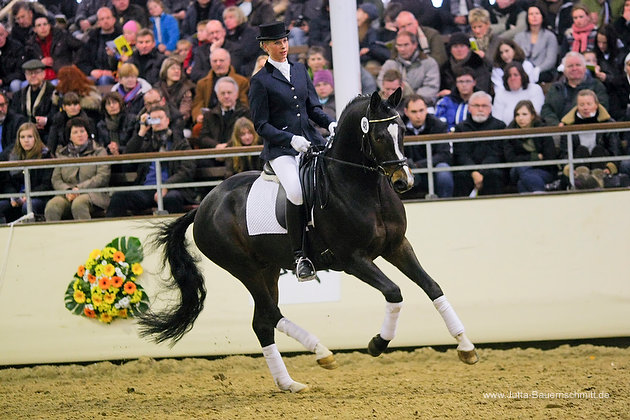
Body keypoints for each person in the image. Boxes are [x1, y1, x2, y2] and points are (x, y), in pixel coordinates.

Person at [248, 22, 336, 281]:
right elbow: (261, 125)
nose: (283, 46)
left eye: (285, 41)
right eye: (277, 43)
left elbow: (312, 108)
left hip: (310, 141)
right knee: (296, 192)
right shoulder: (260, 82)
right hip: (281, 150)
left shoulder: (299, 70)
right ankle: (299, 256)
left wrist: (328, 122)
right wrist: (290, 139)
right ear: (265, 46)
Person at [105, 105, 197, 216]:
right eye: (154, 119)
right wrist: (141, 132)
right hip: (147, 188)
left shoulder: (180, 143)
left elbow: (186, 170)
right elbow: (128, 159)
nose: (157, 121)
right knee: (118, 197)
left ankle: (173, 232)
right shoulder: (146, 142)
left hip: (171, 188)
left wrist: (166, 186)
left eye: (160, 118)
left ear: (167, 121)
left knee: (171, 199)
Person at [44, 117, 111, 221]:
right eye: (75, 132)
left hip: (94, 195)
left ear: (87, 133)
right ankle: (54, 236)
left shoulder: (99, 152)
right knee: (52, 206)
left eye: (82, 131)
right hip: (67, 194)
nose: (79, 135)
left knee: (79, 204)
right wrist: (68, 190)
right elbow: (56, 179)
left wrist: (79, 188)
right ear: (69, 137)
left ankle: (85, 236)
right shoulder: (62, 154)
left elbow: (102, 177)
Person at [558, 89, 620, 187]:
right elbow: (564, 152)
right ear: (577, 107)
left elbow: (615, 149)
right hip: (578, 162)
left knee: (598, 149)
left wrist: (611, 167)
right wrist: (569, 168)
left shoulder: (608, 123)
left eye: (589, 104)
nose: (585, 108)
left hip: (601, 162)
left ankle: (598, 180)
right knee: (581, 149)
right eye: (582, 105)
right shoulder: (567, 126)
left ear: (596, 105)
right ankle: (581, 180)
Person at [453, 91, 507, 196]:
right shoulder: (461, 128)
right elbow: (461, 155)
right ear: (469, 108)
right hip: (467, 171)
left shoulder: (499, 126)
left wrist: (481, 172)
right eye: (476, 105)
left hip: (491, 169)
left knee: (494, 176)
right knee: (460, 177)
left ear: (490, 108)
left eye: (484, 106)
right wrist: (474, 172)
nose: (480, 109)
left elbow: (497, 153)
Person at [402, 94, 454, 198]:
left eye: (421, 110)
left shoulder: (439, 125)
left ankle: (446, 204)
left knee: (443, 169)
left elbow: (444, 154)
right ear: (406, 112)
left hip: (432, 168)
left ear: (426, 110)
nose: (418, 115)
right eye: (414, 112)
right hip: (406, 168)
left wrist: (418, 165)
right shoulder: (398, 127)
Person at [0, 122, 52, 222]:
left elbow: (46, 184)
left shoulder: (45, 155)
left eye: (29, 137)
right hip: (17, 197)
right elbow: (7, 183)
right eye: (22, 137)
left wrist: (26, 195)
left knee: (28, 207)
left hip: (38, 196)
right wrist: (14, 197)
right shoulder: (11, 155)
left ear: (36, 138)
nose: (26, 140)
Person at [541, 51, 609, 126]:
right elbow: (547, 110)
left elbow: (602, 107)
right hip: (560, 131)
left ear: (584, 68)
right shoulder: (556, 88)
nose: (574, 68)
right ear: (564, 70)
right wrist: (556, 125)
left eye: (578, 65)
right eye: (570, 66)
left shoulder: (596, 86)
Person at [503, 100, 558, 192]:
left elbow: (549, 157)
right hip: (517, 170)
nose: (520, 118)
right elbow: (511, 159)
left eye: (524, 114)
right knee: (521, 167)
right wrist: (535, 157)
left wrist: (522, 158)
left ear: (532, 116)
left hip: (543, 170)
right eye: (517, 114)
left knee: (522, 182)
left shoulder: (542, 130)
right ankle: (541, 197)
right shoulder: (509, 132)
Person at [377, 30, 441, 105]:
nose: (402, 49)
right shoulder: (390, 64)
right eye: (399, 45)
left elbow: (431, 88)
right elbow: (381, 82)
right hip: (393, 104)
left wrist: (410, 98)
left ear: (415, 45)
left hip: (421, 105)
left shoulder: (429, 63)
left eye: (406, 45)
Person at [195, 76, 251, 159]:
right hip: (215, 154)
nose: (226, 96)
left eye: (229, 92)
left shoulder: (246, 113)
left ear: (236, 94)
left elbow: (249, 136)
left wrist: (227, 147)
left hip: (238, 155)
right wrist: (217, 146)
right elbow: (203, 137)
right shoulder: (209, 115)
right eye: (223, 93)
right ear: (217, 95)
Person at [191, 48, 250, 126]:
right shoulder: (202, 83)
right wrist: (198, 115)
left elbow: (244, 104)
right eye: (215, 61)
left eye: (221, 60)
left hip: (234, 119)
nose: (218, 64)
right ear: (210, 63)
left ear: (229, 61)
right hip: (209, 121)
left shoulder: (242, 82)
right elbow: (198, 103)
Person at [24, 14, 84, 82]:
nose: (43, 27)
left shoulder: (62, 36)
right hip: (38, 77)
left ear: (49, 26)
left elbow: (81, 47)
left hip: (60, 75)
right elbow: (26, 62)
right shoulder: (31, 44)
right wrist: (39, 63)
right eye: (39, 25)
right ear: (35, 29)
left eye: (45, 24)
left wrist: (74, 64)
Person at [9, 59, 56, 143]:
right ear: (26, 76)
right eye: (30, 73)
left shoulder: (54, 93)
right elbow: (14, 114)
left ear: (43, 74)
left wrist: (46, 120)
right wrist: (27, 123)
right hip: (24, 133)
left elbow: (56, 114)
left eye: (36, 72)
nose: (33, 76)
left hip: (45, 133)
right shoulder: (18, 95)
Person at [513, 5, 560, 83]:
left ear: (542, 16)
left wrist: (538, 69)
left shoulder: (550, 36)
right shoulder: (519, 36)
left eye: (537, 14)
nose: (534, 16)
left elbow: (551, 60)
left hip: (543, 72)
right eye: (531, 14)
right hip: (522, 70)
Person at [77, 7, 121, 86]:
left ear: (114, 20)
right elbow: (81, 61)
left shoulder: (121, 37)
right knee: (85, 81)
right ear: (98, 23)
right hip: (95, 73)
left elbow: (127, 60)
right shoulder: (91, 37)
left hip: (115, 75)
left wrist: (113, 72)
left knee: (104, 79)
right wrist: (91, 71)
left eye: (108, 18)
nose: (105, 21)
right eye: (102, 19)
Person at [154, 57, 196, 127]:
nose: (177, 71)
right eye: (173, 68)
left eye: (178, 69)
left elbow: (184, 115)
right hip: (158, 122)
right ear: (165, 71)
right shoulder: (157, 88)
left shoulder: (186, 89)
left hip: (179, 126)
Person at [222, 6, 261, 77]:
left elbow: (246, 53)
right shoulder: (226, 35)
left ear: (239, 18)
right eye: (225, 18)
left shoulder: (252, 32)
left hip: (249, 69)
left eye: (231, 17)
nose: (227, 21)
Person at [435, 67, 476, 131]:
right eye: (460, 81)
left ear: (474, 83)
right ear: (456, 84)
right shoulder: (444, 102)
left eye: (468, 81)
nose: (464, 85)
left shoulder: (482, 102)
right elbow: (439, 125)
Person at [0, 92, 27, 161]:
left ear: (7, 105)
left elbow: (16, 144)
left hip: (8, 163)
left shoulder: (18, 121)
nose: (0, 109)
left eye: (2, 105)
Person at [0, 23, 26, 93]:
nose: (0, 39)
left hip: (14, 79)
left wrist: (3, 81)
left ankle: (17, 103)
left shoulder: (17, 47)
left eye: (1, 35)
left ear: (6, 33)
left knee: (15, 85)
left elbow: (21, 72)